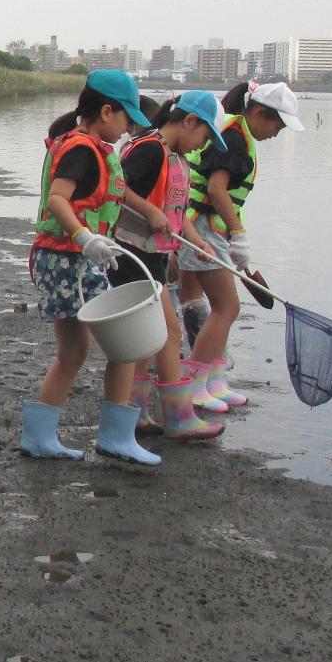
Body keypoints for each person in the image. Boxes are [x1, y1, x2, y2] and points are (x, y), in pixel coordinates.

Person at [21, 70, 155, 460]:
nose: (129, 129)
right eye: (127, 119)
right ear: (106, 111)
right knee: (125, 347)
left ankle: (39, 437)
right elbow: (58, 200)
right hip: (69, 262)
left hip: (64, 259)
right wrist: (85, 238)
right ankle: (116, 438)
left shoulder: (83, 144)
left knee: (74, 352)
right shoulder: (82, 149)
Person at [175, 80, 303, 407]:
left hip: (197, 223)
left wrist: (233, 235)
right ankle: (196, 386)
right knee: (227, 308)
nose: (276, 134)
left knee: (195, 299)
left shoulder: (234, 129)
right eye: (278, 126)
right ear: (259, 113)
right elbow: (216, 190)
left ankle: (215, 382)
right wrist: (239, 233)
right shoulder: (235, 138)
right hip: (203, 229)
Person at [113, 91, 229, 448]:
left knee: (146, 340)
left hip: (154, 258)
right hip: (131, 255)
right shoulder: (150, 149)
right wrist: (149, 211)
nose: (202, 145)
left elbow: (176, 214)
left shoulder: (176, 157)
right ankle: (180, 418)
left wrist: (199, 241)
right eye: (205, 136)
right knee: (168, 333)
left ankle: (136, 411)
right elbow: (116, 187)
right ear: (190, 121)